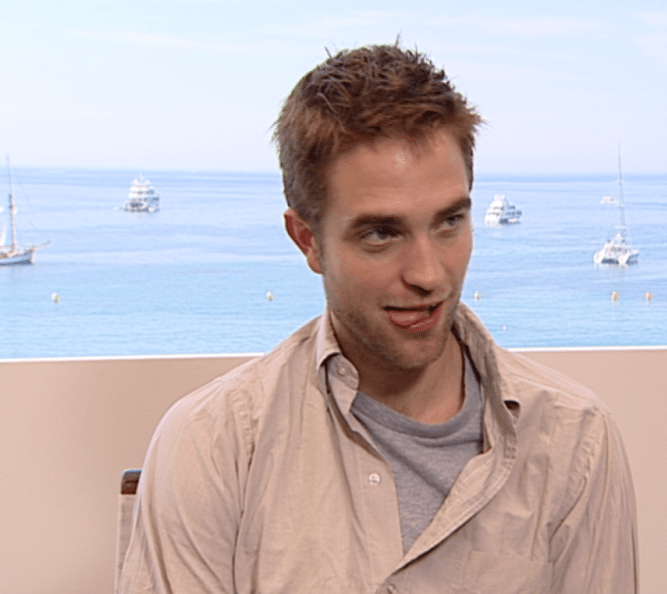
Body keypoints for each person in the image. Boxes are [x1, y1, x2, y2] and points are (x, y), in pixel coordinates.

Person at [118, 43, 638, 594]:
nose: (429, 274)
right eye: (381, 234)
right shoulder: (211, 445)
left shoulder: (574, 440)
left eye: (449, 222)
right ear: (307, 240)